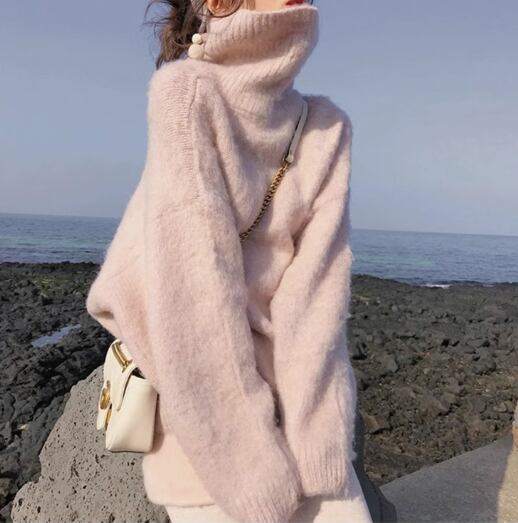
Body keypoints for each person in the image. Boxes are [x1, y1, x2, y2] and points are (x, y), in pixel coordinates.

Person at [86, 0, 391, 521]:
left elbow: (317, 302)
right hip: (208, 438)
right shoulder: (187, 95)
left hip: (294, 421)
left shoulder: (326, 127)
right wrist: (249, 470)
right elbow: (192, 297)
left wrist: (319, 448)